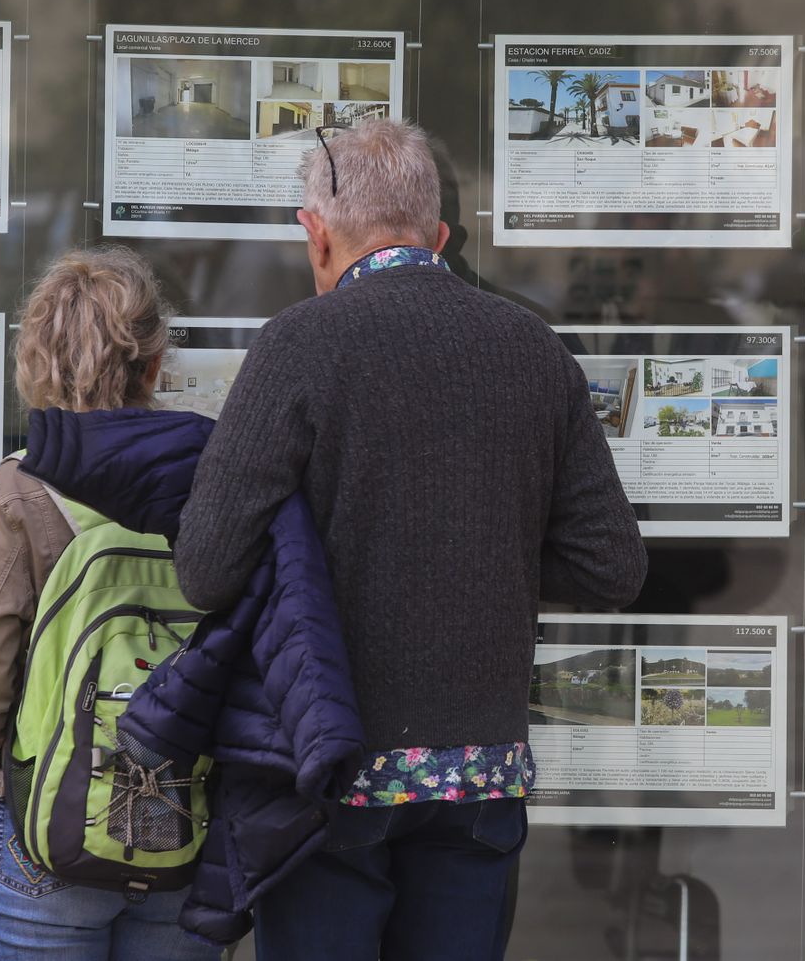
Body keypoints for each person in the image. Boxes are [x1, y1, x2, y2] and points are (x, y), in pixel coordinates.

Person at [169, 119, 649, 960]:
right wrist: (482, 538)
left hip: (332, 771)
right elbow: (611, 568)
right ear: (439, 237)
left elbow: (206, 569)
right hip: (479, 777)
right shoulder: (534, 351)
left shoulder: (299, 346)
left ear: (314, 235)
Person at [0, 247, 220, 961]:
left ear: (33, 361)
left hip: (43, 824)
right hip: (180, 817)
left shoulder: (22, 488)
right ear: (155, 362)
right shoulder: (212, 479)